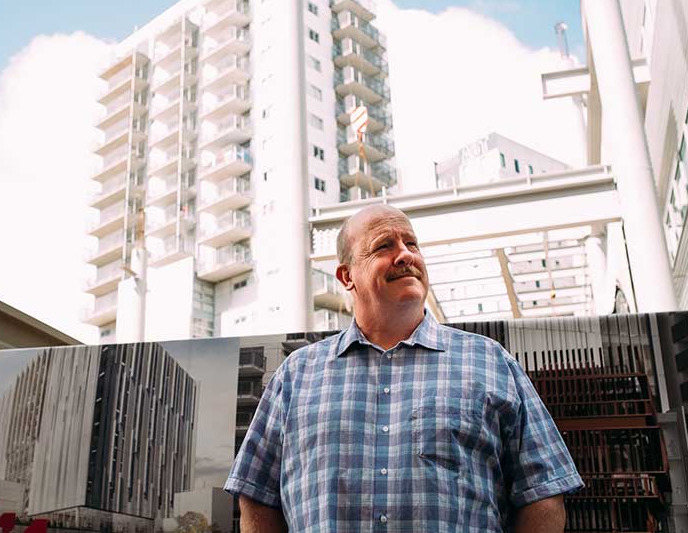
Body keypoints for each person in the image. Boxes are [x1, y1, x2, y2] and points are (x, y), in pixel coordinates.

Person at [224, 204, 584, 532]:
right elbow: (257, 496)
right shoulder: (296, 375)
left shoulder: (491, 362)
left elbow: (543, 492)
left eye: (411, 244)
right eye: (384, 246)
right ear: (347, 276)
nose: (405, 255)